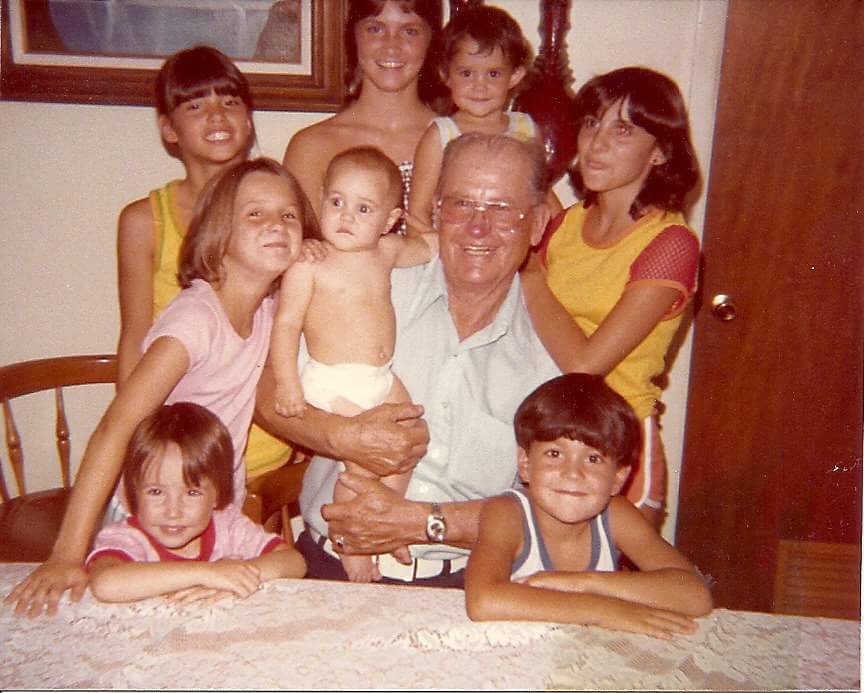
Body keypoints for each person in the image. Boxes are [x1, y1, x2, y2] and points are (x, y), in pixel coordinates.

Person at [5, 158, 318, 617]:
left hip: (213, 511)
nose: (277, 224)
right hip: (150, 515)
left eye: (289, 215)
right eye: (255, 214)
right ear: (218, 233)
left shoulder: (273, 310)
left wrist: (324, 253)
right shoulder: (194, 321)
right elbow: (117, 427)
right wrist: (68, 554)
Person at [255, 133, 560, 587]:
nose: (478, 227)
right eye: (460, 205)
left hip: (463, 582)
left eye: (501, 209)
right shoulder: (372, 279)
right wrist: (342, 436)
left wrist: (424, 522)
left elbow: (558, 510)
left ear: (536, 225)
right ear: (435, 212)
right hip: (330, 565)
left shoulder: (553, 352)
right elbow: (265, 394)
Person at [521, 67, 701, 529]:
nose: (596, 143)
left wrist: (531, 272)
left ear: (660, 151)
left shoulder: (671, 243)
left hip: (616, 449)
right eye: (591, 123)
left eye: (622, 130)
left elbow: (585, 365)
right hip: (547, 440)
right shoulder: (564, 225)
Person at [116, 45, 294, 484]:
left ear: (249, 121)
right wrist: (140, 440)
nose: (217, 116)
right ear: (169, 129)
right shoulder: (144, 220)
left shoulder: (278, 211)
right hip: (181, 439)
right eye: (196, 104)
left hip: (263, 432)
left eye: (230, 102)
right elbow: (134, 338)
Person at [271, 147, 438, 581]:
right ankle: (346, 535)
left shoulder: (385, 251)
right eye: (337, 202)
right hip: (331, 381)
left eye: (363, 208)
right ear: (321, 199)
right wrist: (288, 385)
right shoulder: (310, 264)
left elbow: (427, 248)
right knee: (366, 461)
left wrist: (445, 233)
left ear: (388, 220)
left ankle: (388, 522)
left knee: (408, 447)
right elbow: (286, 326)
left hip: (380, 380)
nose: (346, 216)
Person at [464, 373, 712, 638]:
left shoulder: (617, 515)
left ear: (618, 478)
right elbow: (483, 601)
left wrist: (581, 583)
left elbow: (696, 595)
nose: (573, 473)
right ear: (525, 463)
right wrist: (605, 610)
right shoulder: (507, 512)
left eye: (593, 459)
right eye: (555, 454)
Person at [87, 402, 305, 604]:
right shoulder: (127, 537)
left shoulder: (227, 526)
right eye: (156, 491)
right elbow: (105, 584)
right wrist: (207, 573)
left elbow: (294, 562)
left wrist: (238, 576)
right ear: (134, 492)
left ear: (217, 495)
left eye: (192, 492)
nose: (173, 511)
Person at [282, 0, 445, 227]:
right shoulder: (311, 146)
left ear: (431, 40)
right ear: (354, 37)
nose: (391, 46)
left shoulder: (453, 137)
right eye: (375, 29)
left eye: (410, 31)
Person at [408, 4, 560, 233]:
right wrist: (433, 260)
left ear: (515, 76)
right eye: (467, 73)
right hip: (453, 252)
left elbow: (543, 196)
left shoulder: (525, 130)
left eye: (493, 74)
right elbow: (418, 213)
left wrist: (565, 239)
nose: (480, 86)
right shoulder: (441, 135)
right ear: (445, 74)